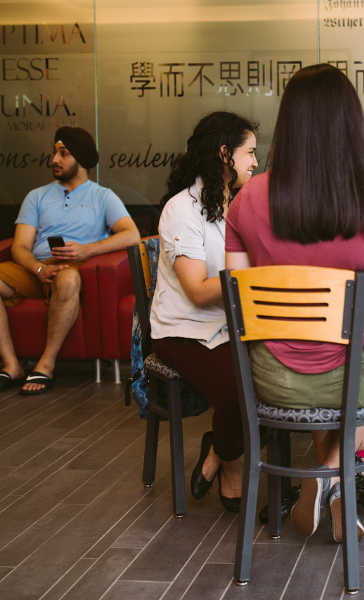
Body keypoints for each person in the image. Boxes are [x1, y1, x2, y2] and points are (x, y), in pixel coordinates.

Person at [225, 64, 364, 541]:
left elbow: (239, 300)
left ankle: (328, 484)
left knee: (319, 351)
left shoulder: (246, 199)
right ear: (352, 125)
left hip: (272, 380)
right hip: (359, 382)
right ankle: (333, 475)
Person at [0, 127, 140, 394]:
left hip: (72, 268)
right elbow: (20, 247)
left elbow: (132, 235)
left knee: (70, 277)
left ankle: (46, 365)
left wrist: (86, 251)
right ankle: (11, 364)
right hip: (33, 269)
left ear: (81, 159)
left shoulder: (103, 196)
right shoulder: (36, 196)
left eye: (64, 154)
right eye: (54, 153)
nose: (55, 160)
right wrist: (37, 269)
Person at [151, 112, 259, 513]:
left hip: (232, 324)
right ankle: (229, 468)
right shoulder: (183, 208)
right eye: (249, 153)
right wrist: (255, 276)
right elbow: (196, 291)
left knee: (280, 375)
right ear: (224, 154)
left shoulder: (243, 203)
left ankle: (216, 449)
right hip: (183, 331)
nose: (255, 162)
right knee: (240, 394)